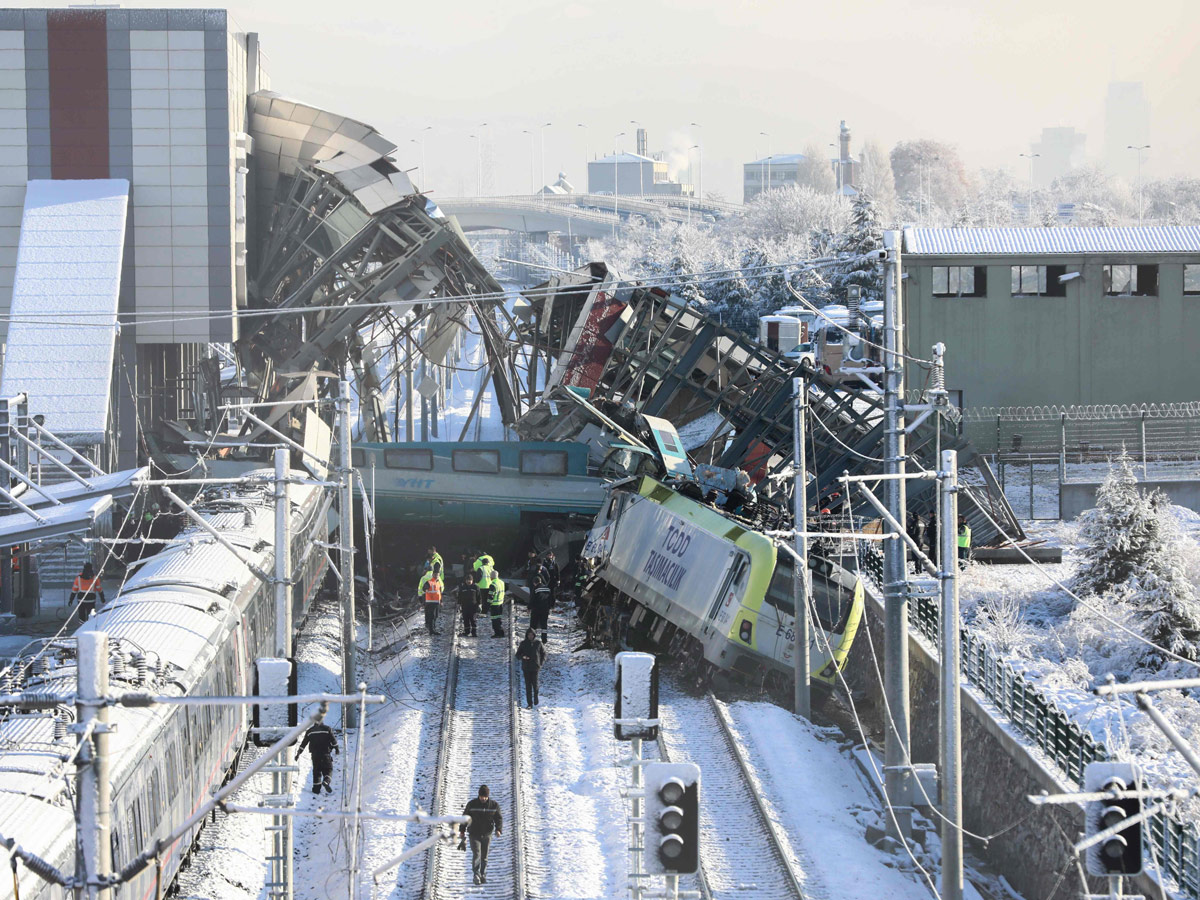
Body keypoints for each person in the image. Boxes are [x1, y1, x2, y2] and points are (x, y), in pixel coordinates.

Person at [459, 784, 502, 885]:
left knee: (484, 856)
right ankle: (476, 874)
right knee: (477, 853)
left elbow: (498, 818)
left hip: (487, 834)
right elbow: (465, 817)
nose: (483, 798)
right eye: (481, 796)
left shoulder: (494, 805)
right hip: (474, 833)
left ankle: (483, 874)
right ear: (478, 795)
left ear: (488, 796)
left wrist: (498, 829)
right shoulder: (472, 804)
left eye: (485, 797)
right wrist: (462, 830)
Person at [297, 721, 339, 795]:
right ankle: (326, 781)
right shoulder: (327, 729)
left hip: (315, 755)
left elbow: (303, 743)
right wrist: (337, 749)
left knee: (317, 771)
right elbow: (333, 741)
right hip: (325, 753)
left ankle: (316, 789)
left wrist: (298, 753)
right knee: (328, 769)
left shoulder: (309, 731)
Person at [516, 627, 546, 708]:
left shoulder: (538, 643)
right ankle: (529, 703)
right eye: (529, 635)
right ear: (526, 635)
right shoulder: (523, 643)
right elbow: (517, 655)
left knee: (535, 685)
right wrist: (523, 657)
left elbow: (543, 654)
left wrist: (540, 663)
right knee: (528, 686)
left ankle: (536, 697)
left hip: (535, 667)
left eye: (532, 635)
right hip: (526, 667)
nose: (530, 636)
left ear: (534, 635)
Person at [418, 569, 444, 634]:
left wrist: (441, 601)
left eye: (437, 575)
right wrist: (426, 590)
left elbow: (439, 593)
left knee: (435, 616)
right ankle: (431, 630)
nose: (436, 576)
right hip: (430, 602)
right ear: (432, 575)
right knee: (432, 616)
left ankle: (433, 628)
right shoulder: (429, 582)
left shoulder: (438, 583)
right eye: (435, 575)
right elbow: (424, 588)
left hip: (436, 602)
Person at [529, 574, 552, 645]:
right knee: (544, 624)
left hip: (536, 609)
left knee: (533, 624)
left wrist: (529, 607)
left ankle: (532, 639)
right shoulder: (547, 588)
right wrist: (550, 607)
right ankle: (544, 639)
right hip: (545, 609)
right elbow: (551, 598)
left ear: (535, 583)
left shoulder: (536, 589)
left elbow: (532, 599)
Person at [458, 573, 481, 637]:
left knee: (473, 620)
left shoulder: (476, 587)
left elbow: (479, 597)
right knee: (466, 619)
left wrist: (480, 605)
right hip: (465, 606)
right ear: (465, 580)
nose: (468, 581)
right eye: (467, 580)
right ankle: (467, 632)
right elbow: (459, 596)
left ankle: (474, 633)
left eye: (470, 580)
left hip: (473, 606)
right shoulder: (462, 587)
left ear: (472, 580)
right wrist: (459, 604)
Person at [488, 573, 506, 638]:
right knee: (499, 619)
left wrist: (488, 605)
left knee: (494, 620)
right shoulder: (501, 582)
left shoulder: (493, 584)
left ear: (491, 577)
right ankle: (501, 632)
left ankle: (497, 633)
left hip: (494, 605)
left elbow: (491, 596)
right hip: (500, 603)